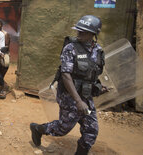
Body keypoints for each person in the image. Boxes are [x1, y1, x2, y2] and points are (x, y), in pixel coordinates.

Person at [30, 15, 108, 155]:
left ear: (93, 34)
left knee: (91, 130)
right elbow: (66, 76)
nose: (79, 33)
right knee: (63, 128)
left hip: (86, 96)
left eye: (83, 31)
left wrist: (98, 87)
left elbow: (92, 73)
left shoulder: (98, 50)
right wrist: (78, 101)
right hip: (69, 95)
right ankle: (37, 129)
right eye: (78, 30)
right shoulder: (70, 48)